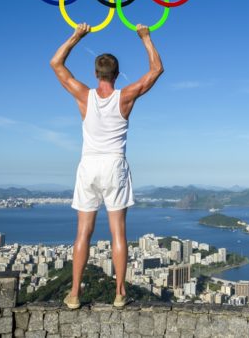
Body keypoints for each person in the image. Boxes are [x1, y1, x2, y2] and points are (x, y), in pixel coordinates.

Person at [49, 22, 164, 309]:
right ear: (115, 74)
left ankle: (74, 294)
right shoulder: (124, 97)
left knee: (82, 233)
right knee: (118, 233)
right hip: (115, 166)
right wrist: (146, 37)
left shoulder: (83, 96)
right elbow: (156, 70)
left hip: (88, 166)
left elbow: (56, 63)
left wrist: (77, 35)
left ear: (95, 73)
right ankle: (120, 293)